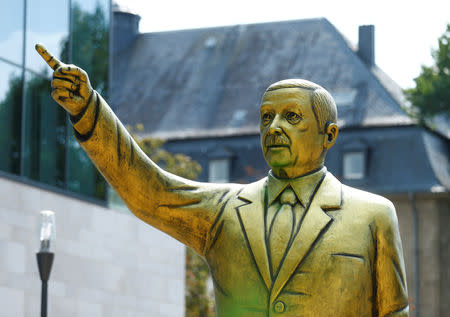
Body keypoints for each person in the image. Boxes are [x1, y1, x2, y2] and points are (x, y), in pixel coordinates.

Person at [36, 44, 409, 316]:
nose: (274, 127)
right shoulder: (222, 212)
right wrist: (88, 112)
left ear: (329, 135)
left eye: (291, 117)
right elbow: (150, 192)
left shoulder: (374, 216)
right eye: (266, 118)